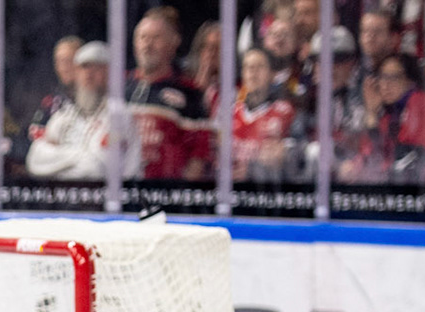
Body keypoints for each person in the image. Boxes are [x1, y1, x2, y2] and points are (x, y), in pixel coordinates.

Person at [128, 7, 213, 180]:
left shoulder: (190, 94)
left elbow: (198, 157)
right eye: (143, 37)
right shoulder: (119, 88)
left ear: (174, 42)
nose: (147, 45)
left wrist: (178, 199)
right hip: (122, 195)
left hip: (166, 195)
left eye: (155, 38)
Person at [26, 42, 125, 180]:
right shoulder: (64, 115)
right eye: (84, 68)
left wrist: (56, 162)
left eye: (97, 69)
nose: (89, 75)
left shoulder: (121, 117)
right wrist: (82, 155)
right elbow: (34, 159)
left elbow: (97, 169)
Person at [339, 53, 425, 182]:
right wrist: (371, 113)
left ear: (410, 81)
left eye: (394, 78)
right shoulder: (387, 112)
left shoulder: (419, 101)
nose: (385, 85)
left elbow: (405, 155)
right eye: (382, 77)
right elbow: (370, 155)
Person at [232, 49, 301, 181]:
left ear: (272, 74)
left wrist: (286, 151)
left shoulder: (285, 112)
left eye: (259, 67)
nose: (253, 72)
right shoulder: (230, 113)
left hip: (267, 191)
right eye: (248, 67)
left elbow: (299, 149)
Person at [29, 34, 85, 144]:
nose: (64, 67)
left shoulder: (100, 100)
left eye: (69, 61)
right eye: (59, 61)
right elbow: (33, 136)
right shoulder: (51, 103)